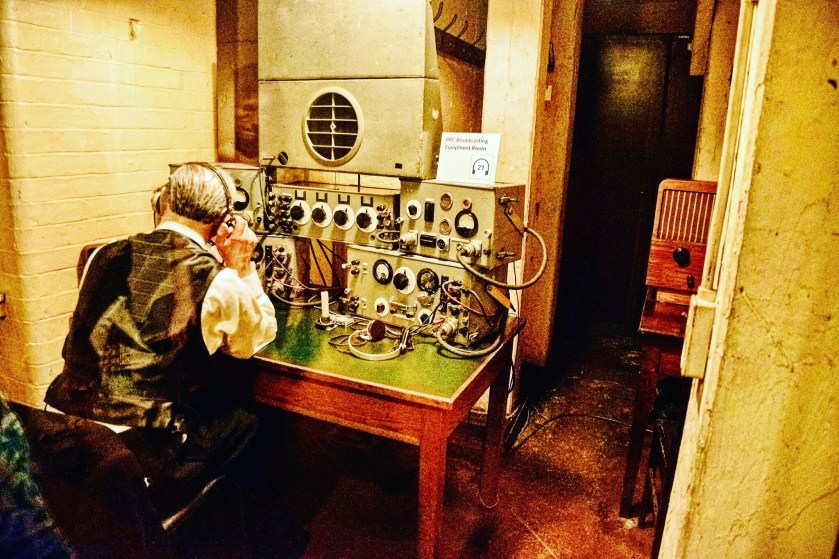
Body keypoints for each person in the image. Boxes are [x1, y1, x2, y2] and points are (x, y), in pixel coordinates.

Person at [39, 162, 278, 556]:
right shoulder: (217, 280)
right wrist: (241, 266)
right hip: (133, 459)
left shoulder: (102, 254)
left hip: (61, 433)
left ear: (164, 200)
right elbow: (253, 340)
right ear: (223, 221)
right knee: (252, 423)